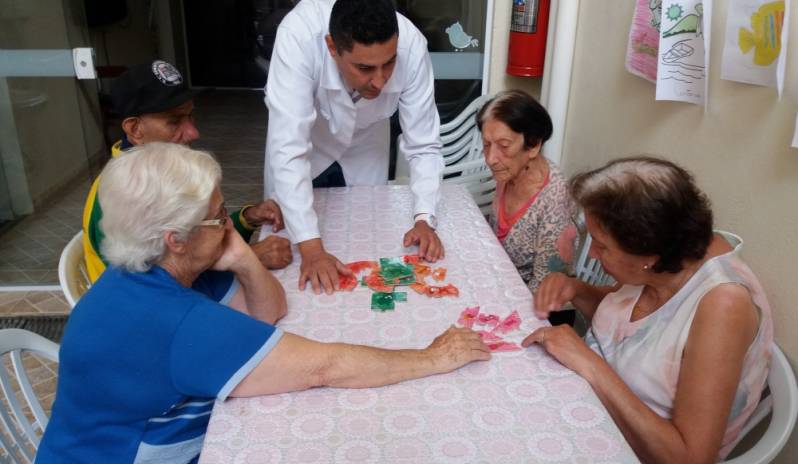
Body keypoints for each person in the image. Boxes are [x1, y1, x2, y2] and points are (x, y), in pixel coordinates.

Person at [37, 143, 490, 463]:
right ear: (175, 239)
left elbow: (269, 310)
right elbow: (323, 367)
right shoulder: (172, 319)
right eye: (219, 215)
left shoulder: (154, 270)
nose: (231, 221)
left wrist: (238, 255)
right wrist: (434, 357)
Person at [524, 156, 773, 462]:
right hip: (584, 409)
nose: (591, 252)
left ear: (649, 256)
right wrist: (576, 289)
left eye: (602, 246)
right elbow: (638, 328)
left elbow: (690, 457)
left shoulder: (723, 304)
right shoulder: (666, 258)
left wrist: (590, 365)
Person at [265, 0, 444, 295]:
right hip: (309, 142)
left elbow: (424, 143)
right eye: (365, 68)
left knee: (368, 240)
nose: (380, 81)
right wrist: (311, 249)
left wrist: (424, 218)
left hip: (367, 141)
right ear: (332, 47)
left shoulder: (412, 46)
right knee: (291, 243)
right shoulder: (298, 37)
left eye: (389, 63)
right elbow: (289, 147)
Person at [83, 59, 291, 284]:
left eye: (190, 116)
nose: (193, 133)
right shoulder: (121, 196)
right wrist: (250, 258)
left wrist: (246, 218)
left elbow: (199, 239)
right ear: (135, 129)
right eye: (174, 121)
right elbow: (157, 288)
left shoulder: (165, 171)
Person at [477, 90, 577, 324]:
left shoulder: (556, 200)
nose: (491, 158)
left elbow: (544, 289)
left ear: (533, 146)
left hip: (541, 314)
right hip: (503, 288)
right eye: (486, 145)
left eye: (503, 145)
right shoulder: (509, 173)